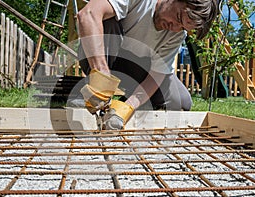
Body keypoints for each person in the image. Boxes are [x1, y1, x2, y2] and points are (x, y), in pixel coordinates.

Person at [74, 0, 218, 130]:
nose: (174, 28)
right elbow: (88, 14)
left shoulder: (176, 35)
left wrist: (128, 107)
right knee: (108, 19)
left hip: (136, 66)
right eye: (178, 17)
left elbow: (157, 75)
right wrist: (101, 74)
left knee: (181, 101)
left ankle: (117, 105)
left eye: (182, 27)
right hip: (103, 54)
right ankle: (95, 84)